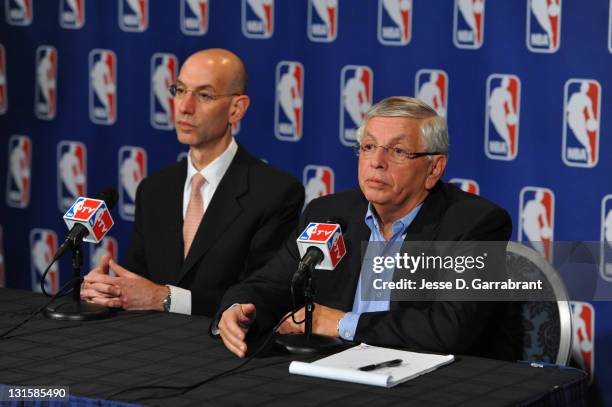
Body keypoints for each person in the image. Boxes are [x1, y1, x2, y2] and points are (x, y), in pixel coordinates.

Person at [217, 96, 519, 360]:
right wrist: (240, 308)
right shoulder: (329, 213)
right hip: (337, 370)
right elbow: (272, 283)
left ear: (433, 168)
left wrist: (340, 323)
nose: (377, 161)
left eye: (398, 151)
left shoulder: (474, 224)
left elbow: (450, 328)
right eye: (369, 146)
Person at [81, 49, 305, 316]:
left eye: (204, 95)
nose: (185, 107)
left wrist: (166, 298)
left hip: (222, 348)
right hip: (145, 345)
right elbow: (139, 284)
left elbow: (260, 297)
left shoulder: (274, 193)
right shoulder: (154, 189)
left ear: (236, 109)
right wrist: (112, 290)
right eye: (180, 90)